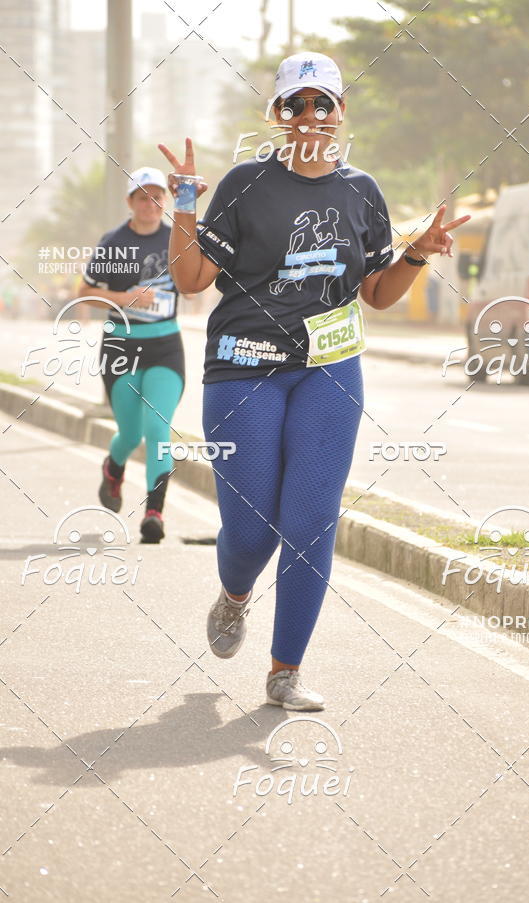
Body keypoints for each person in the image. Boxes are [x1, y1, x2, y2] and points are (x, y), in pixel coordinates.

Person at [160, 51, 470, 710]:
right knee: (252, 533)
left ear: (339, 112)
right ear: (276, 114)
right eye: (294, 104)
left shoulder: (363, 191)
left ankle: (284, 672)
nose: (309, 116)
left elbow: (378, 293)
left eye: (322, 102)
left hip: (329, 371)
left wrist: (416, 251)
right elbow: (190, 282)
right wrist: (184, 201)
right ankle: (235, 593)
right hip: (244, 367)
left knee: (310, 523)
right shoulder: (246, 182)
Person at [77, 166, 185, 543]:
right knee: (130, 433)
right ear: (131, 202)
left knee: (157, 429)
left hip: (166, 346)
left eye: (157, 197)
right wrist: (124, 299)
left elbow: (194, 279)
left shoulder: (177, 240)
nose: (151, 204)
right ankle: (114, 465)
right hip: (121, 347)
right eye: (143, 197)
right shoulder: (113, 242)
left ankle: (154, 513)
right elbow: (84, 291)